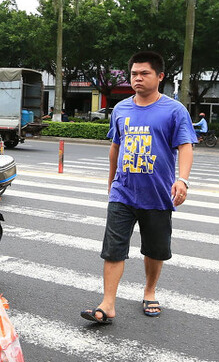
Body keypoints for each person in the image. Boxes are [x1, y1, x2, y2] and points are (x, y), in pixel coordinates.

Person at [81, 51, 194, 324]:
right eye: (134, 74)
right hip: (123, 191)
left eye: (144, 73)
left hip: (158, 193)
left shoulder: (174, 110)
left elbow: (186, 146)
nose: (138, 78)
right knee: (113, 248)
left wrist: (183, 179)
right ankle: (107, 304)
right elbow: (115, 148)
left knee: (155, 250)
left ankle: (150, 290)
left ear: (160, 77)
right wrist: (111, 183)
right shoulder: (120, 109)